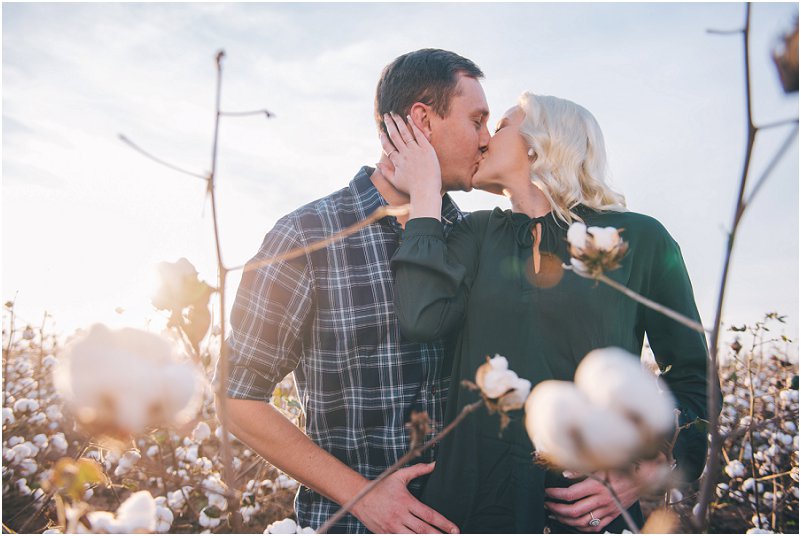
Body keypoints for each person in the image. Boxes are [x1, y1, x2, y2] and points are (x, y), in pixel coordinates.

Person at [382, 93, 717, 533]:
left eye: (499, 126)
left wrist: (643, 473)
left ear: (539, 145)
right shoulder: (476, 234)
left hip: (589, 513)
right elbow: (422, 318)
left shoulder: (641, 239)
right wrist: (426, 193)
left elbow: (693, 377)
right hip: (474, 508)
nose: (483, 140)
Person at [218, 49, 491, 533]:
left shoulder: (472, 238)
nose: (486, 141)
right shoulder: (305, 236)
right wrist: (363, 497)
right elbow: (237, 398)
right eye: (477, 121)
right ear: (423, 121)